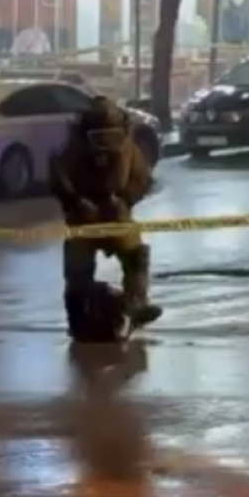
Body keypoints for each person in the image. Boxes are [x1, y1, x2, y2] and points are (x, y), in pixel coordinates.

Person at [49, 96, 162, 341]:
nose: (106, 145)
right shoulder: (72, 149)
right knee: (79, 273)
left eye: (112, 137)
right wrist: (76, 202)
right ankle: (82, 318)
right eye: (99, 138)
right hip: (85, 218)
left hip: (113, 216)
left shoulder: (128, 149)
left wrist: (124, 200)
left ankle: (136, 303)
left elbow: (142, 179)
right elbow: (58, 179)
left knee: (135, 257)